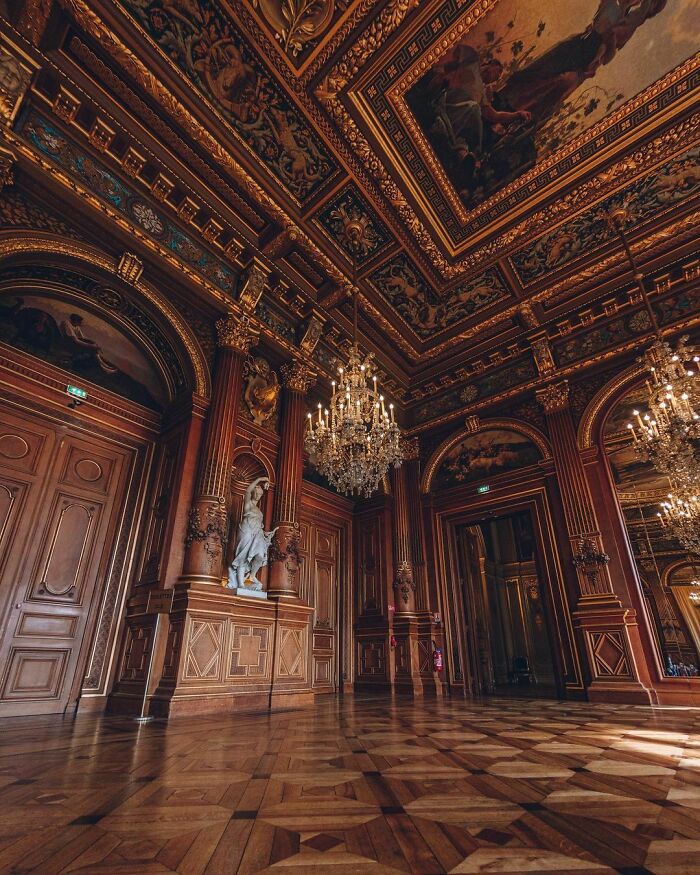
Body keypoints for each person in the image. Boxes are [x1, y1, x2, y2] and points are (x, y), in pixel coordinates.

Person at [227, 477, 277, 590]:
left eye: (260, 494)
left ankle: (253, 575)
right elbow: (247, 491)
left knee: (259, 556)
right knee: (242, 556)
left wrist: (266, 534)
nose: (258, 496)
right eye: (257, 493)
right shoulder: (248, 504)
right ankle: (240, 583)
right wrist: (261, 479)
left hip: (258, 533)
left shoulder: (259, 510)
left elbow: (259, 524)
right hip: (246, 530)